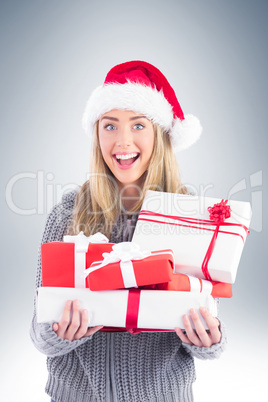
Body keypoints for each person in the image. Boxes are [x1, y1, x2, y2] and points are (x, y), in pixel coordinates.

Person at [30, 60, 227, 402]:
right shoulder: (66, 213)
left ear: (160, 136)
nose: (123, 141)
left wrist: (210, 340)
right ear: (97, 134)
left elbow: (208, 326)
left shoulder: (188, 216)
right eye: (110, 126)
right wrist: (61, 333)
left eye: (138, 125)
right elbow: (38, 332)